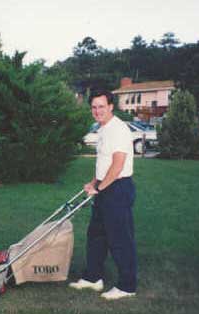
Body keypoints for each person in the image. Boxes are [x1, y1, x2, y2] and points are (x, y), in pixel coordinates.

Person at [69, 89, 137, 300]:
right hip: (105, 187)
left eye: (101, 106)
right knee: (96, 235)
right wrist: (93, 182)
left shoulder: (118, 129)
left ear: (110, 106)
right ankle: (93, 278)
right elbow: (104, 163)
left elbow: (117, 165)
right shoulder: (104, 129)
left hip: (117, 189)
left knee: (120, 239)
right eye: (94, 107)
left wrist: (100, 187)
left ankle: (127, 286)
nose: (97, 111)